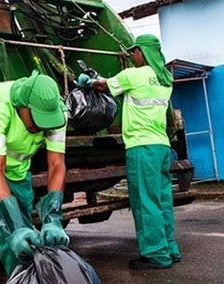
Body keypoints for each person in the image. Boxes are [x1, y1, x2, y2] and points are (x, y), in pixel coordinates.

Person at [76, 34, 181, 269]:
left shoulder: (134, 75)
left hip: (142, 147)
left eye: (134, 51)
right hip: (161, 145)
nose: (131, 55)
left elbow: (104, 85)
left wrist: (87, 81)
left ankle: (155, 255)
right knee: (162, 200)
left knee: (145, 202)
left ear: (142, 53)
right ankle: (169, 249)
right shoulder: (165, 78)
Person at [0, 70, 69, 275]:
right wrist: (15, 226)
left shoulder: (58, 114)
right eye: (36, 119)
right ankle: (19, 276)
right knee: (11, 230)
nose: (40, 127)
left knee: (26, 224)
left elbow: (57, 164)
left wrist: (53, 217)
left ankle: (33, 275)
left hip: (18, 166)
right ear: (22, 106)